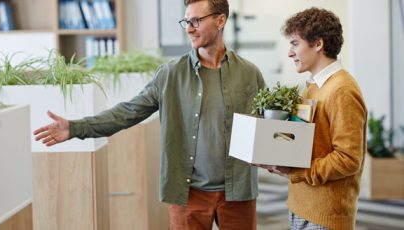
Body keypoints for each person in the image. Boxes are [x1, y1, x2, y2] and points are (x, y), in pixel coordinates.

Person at [34, 0, 265, 229]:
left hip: (238, 190)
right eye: (186, 21)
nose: (189, 28)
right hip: (188, 192)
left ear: (221, 20)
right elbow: (128, 112)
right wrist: (76, 128)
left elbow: (267, 125)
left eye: (196, 20)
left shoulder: (249, 73)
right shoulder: (170, 74)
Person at [262, 7, 367, 230]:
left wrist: (297, 171)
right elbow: (308, 146)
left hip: (325, 215)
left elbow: (348, 159)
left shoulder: (342, 90)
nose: (290, 53)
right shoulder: (310, 88)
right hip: (301, 206)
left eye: (294, 43)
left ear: (318, 44)